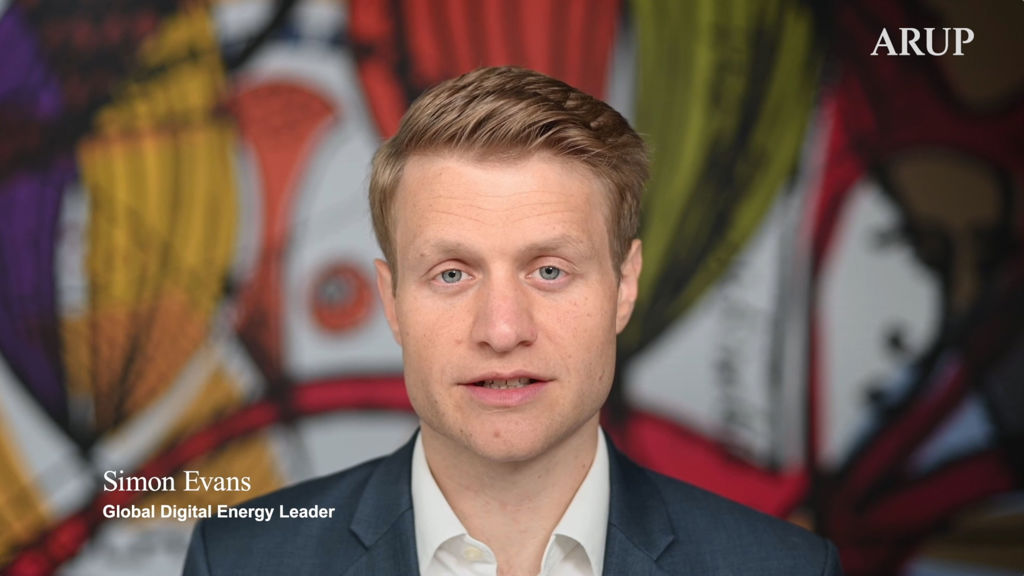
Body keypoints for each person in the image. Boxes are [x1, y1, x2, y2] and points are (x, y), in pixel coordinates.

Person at [183, 66, 843, 576]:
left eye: (549, 271)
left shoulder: (781, 569)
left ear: (624, 286)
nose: (502, 331)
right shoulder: (242, 561)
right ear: (392, 301)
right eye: (452, 274)